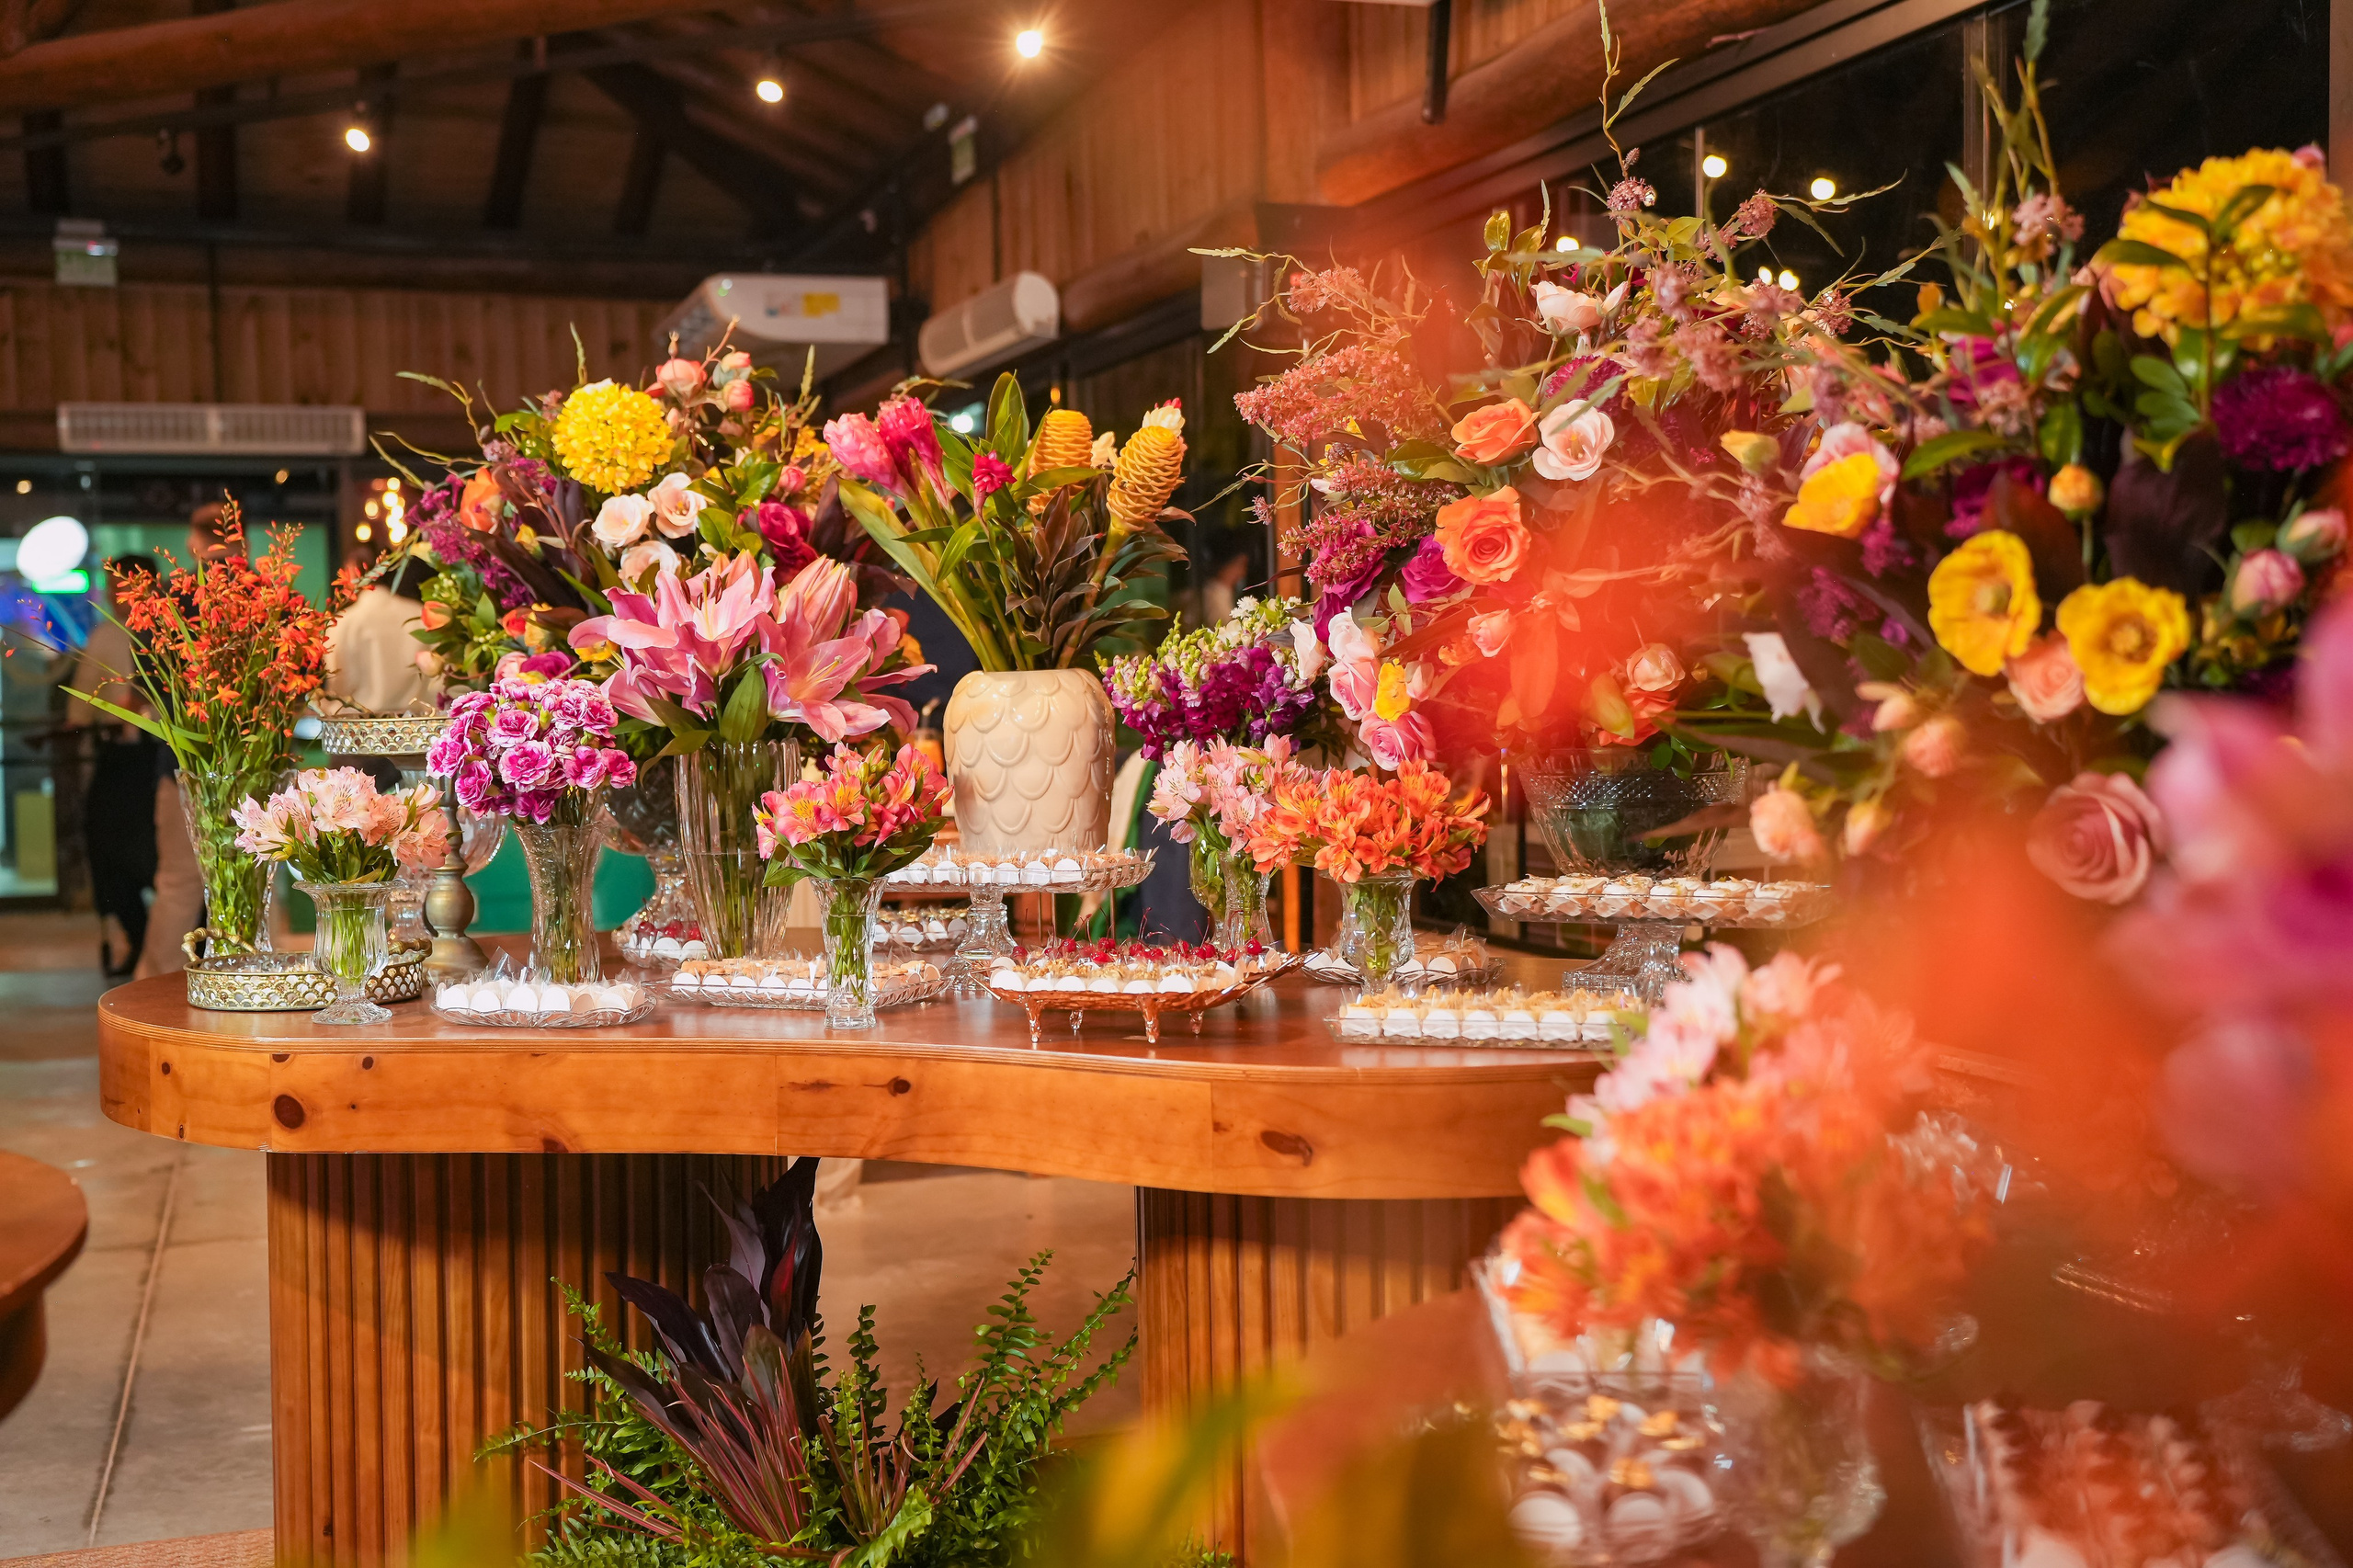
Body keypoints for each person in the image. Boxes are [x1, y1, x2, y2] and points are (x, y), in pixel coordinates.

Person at [136, 503, 244, 978]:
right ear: (241, 540)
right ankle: (252, 978)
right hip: (252, 762)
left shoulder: (171, 600)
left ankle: (153, 994)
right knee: (253, 881)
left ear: (196, 542)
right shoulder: (263, 593)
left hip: (184, 760)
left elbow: (147, 680)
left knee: (179, 883)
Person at [65, 554, 163, 975]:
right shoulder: (107, 634)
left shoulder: (166, 633)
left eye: (118, 586)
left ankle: (164, 944)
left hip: (156, 756)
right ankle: (140, 938)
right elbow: (82, 702)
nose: (112, 596)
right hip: (124, 757)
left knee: (156, 855)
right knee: (110, 851)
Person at [324, 553, 428, 713]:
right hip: (414, 722)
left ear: (354, 574)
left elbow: (337, 681)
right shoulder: (420, 613)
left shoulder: (345, 621)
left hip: (356, 723)